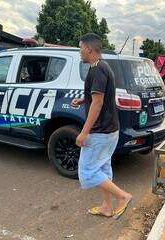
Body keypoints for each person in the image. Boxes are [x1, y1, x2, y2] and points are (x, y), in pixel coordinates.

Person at [71, 33, 132, 219]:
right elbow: (99, 98)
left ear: (89, 49)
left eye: (80, 48)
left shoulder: (97, 69)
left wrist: (84, 132)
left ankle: (123, 197)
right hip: (109, 129)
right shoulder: (103, 66)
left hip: (100, 132)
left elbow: (98, 103)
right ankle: (106, 207)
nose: (79, 52)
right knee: (103, 168)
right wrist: (84, 99)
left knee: (87, 172)